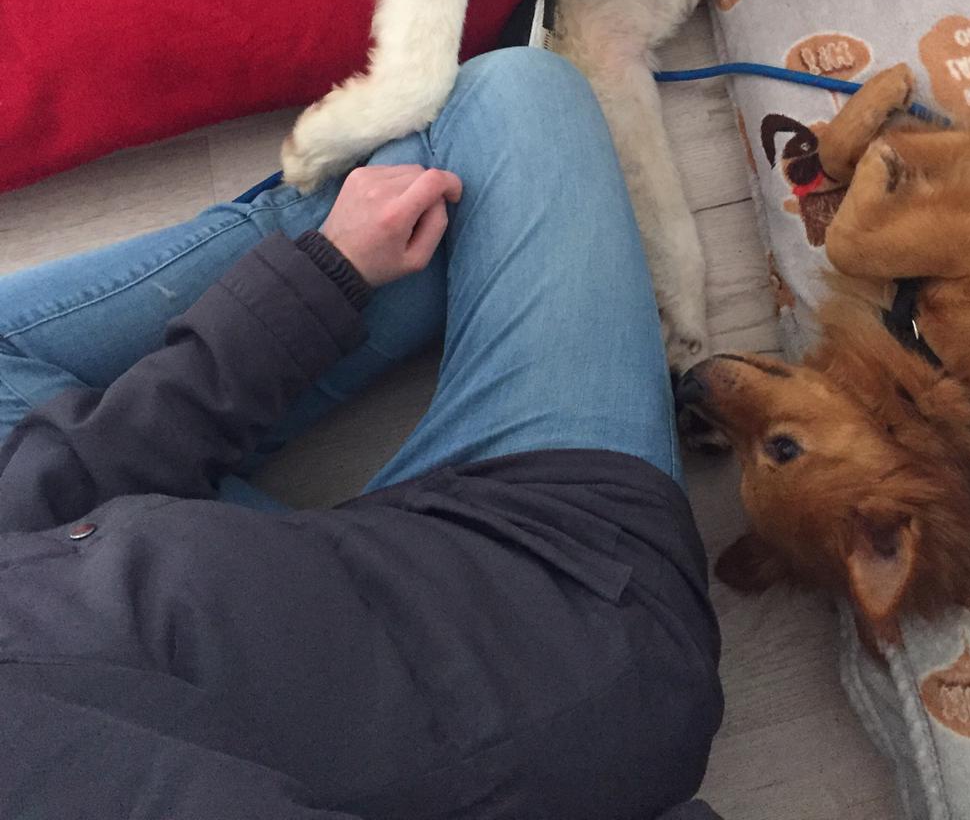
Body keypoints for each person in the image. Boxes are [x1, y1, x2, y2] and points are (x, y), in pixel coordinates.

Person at [0, 48, 724, 820]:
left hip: (290, 593)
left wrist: (328, 271)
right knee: (510, 102)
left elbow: (56, 491)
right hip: (555, 605)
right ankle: (389, 226)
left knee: (460, 155)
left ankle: (370, 231)